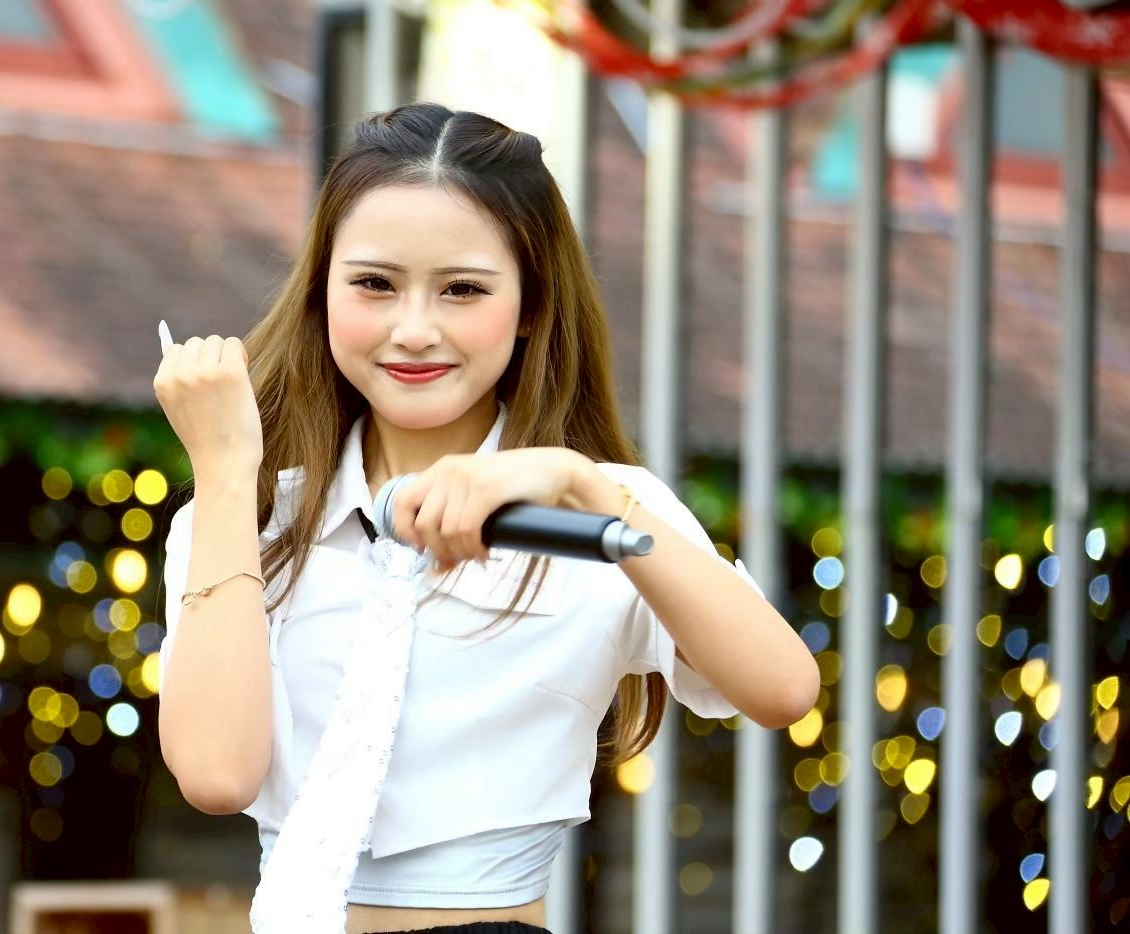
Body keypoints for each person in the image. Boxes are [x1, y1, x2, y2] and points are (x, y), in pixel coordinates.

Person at [151, 101, 819, 934]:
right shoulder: (246, 514)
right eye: (374, 284)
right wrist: (223, 472)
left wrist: (584, 488)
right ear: (321, 290)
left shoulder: (600, 507)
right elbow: (217, 775)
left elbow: (783, 689)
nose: (414, 330)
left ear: (532, 304)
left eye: (463, 290)